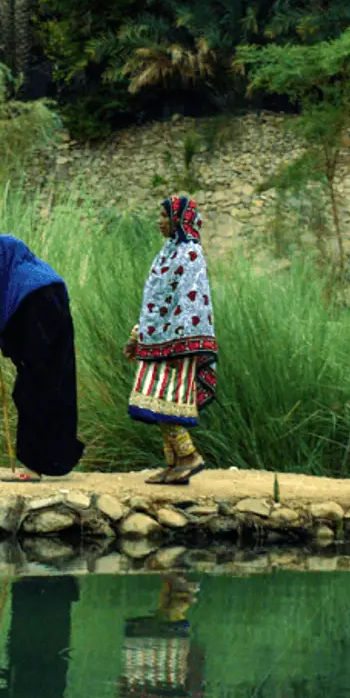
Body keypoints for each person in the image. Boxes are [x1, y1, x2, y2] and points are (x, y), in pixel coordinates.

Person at [124, 196, 217, 485]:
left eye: (165, 215)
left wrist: (179, 344)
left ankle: (189, 457)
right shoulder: (168, 251)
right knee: (155, 401)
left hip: (177, 345)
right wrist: (137, 335)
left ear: (179, 219)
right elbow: (156, 302)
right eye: (160, 215)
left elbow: (190, 305)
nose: (160, 221)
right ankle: (173, 464)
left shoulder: (190, 253)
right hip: (158, 341)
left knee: (165, 401)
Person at [0, 235, 85, 481]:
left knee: (34, 401)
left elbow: (40, 329)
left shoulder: (34, 285)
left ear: (4, 257)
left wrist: (24, 355)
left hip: (44, 360)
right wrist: (3, 338)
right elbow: (24, 323)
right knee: (42, 403)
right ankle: (45, 464)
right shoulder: (30, 278)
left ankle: (34, 468)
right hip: (48, 358)